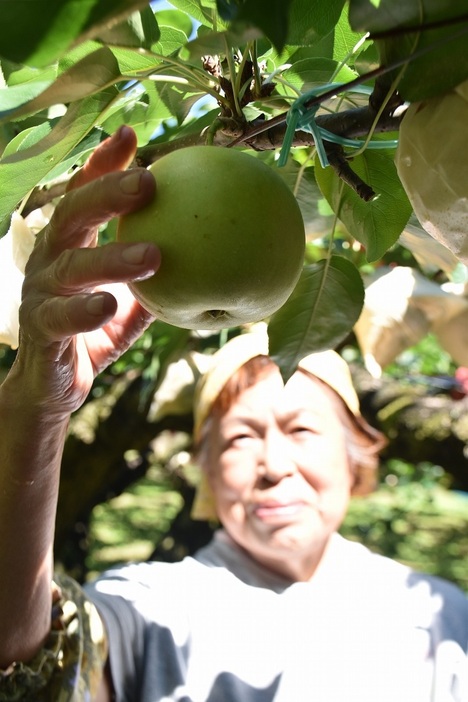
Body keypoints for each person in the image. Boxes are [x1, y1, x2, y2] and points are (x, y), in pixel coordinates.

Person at [0, 127, 466, 702]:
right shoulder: (153, 609)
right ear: (203, 465)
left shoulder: (445, 621)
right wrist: (36, 415)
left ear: (356, 455)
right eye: (241, 435)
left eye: (301, 428)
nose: (272, 462)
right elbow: (31, 668)